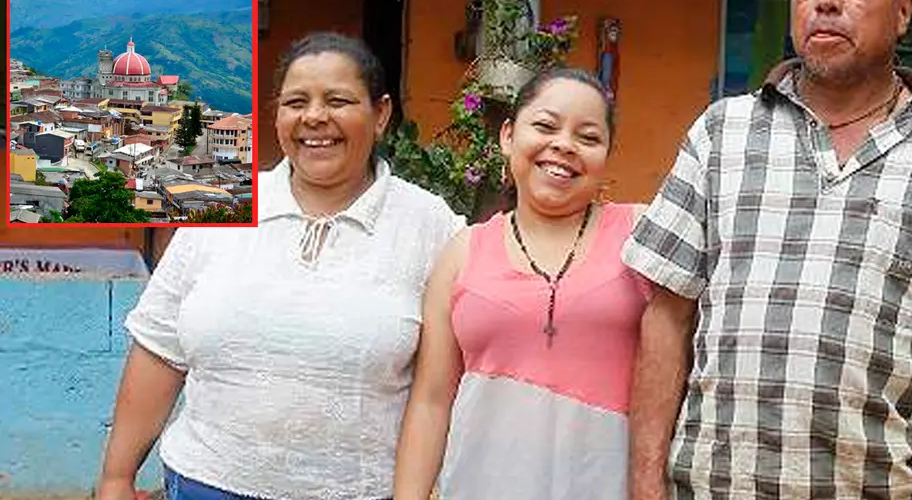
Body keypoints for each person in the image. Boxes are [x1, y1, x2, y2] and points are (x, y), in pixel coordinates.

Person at [623, 0, 912, 500]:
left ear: (903, 12)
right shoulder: (722, 133)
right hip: (713, 488)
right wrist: (646, 485)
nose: (826, 0)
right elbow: (666, 314)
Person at [95, 32, 464, 500]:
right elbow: (158, 349)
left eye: (338, 100)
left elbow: (446, 385)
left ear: (381, 115)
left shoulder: (431, 228)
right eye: (296, 102)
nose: (314, 117)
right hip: (205, 485)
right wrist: (116, 477)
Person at [394, 68, 652, 500]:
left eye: (588, 137)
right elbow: (431, 401)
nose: (564, 145)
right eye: (546, 126)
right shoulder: (463, 252)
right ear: (509, 135)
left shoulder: (642, 238)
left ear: (607, 154)